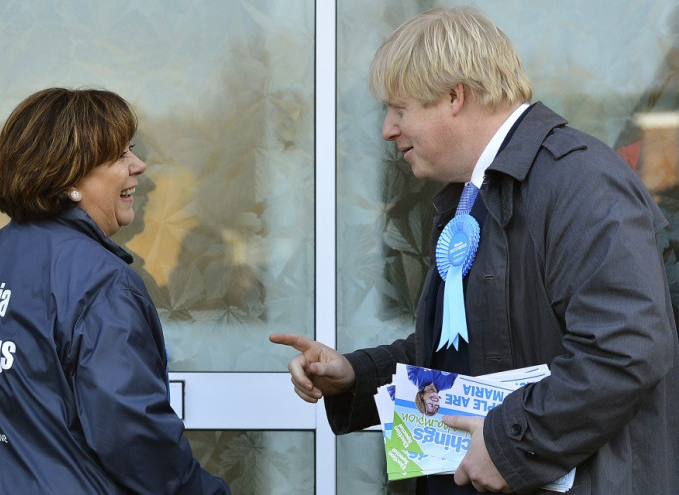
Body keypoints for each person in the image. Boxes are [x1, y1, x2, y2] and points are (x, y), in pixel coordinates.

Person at [271, 6, 679, 494]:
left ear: (453, 96)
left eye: (399, 108)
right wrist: (356, 375)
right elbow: (467, 352)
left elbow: (626, 349)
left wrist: (513, 446)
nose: (387, 129)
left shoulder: (580, 180)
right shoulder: (476, 195)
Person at [0, 88, 230, 494]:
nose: (140, 166)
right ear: (68, 175)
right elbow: (133, 434)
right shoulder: (98, 282)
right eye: (120, 156)